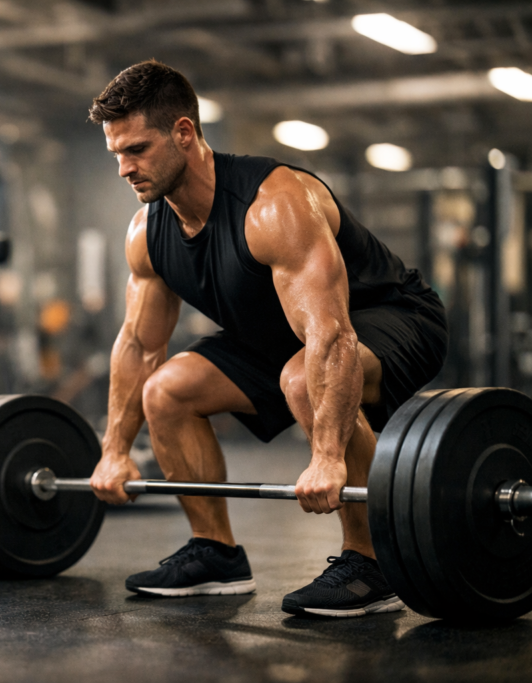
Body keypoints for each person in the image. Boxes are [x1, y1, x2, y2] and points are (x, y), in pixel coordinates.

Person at [87, 60, 447, 618]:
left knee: (303, 376)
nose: (123, 169)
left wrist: (327, 457)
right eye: (116, 154)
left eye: (136, 150)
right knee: (166, 390)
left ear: (184, 133)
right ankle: (215, 552)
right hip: (281, 336)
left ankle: (372, 562)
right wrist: (114, 451)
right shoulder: (148, 233)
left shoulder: (272, 204)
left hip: (388, 316)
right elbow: (138, 345)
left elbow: (330, 332)